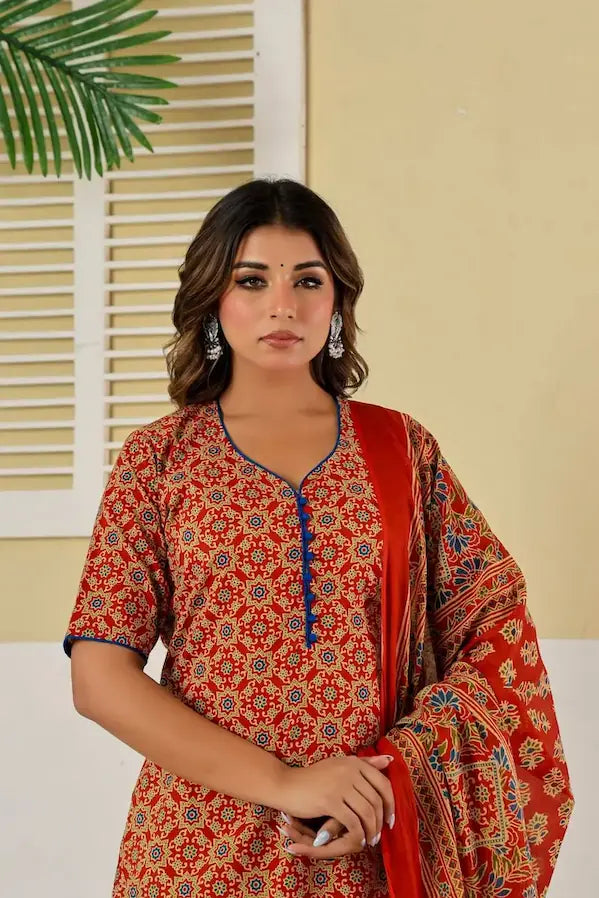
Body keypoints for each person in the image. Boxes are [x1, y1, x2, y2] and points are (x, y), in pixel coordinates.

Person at [64, 178, 573, 898]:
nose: (283, 306)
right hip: (195, 846)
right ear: (214, 299)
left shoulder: (400, 449)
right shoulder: (159, 458)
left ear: (336, 302)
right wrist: (285, 782)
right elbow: (100, 677)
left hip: (363, 836)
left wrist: (390, 781)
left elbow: (493, 632)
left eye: (308, 280)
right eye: (252, 280)